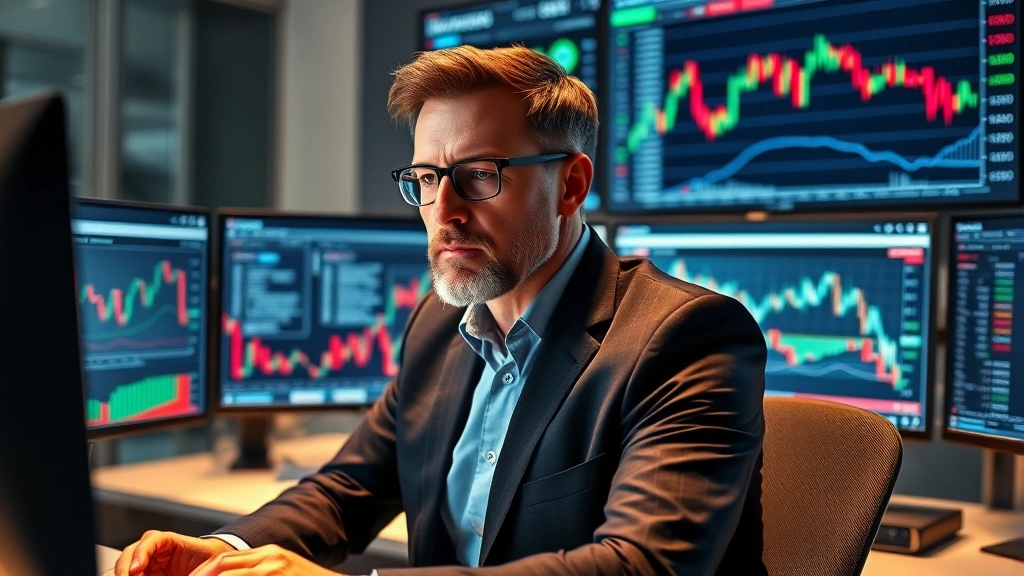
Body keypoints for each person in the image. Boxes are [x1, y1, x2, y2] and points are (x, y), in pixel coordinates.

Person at [114, 45, 767, 576]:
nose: (444, 212)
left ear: (570, 185)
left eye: (479, 174)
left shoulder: (685, 338)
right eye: (427, 178)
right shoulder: (440, 322)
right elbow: (349, 487)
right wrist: (229, 550)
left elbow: (642, 564)